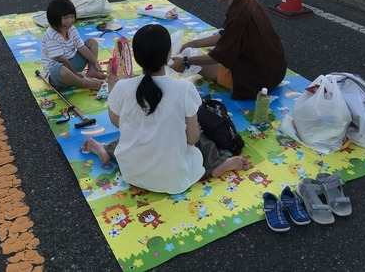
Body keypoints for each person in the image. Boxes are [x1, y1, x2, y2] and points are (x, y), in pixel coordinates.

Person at [81, 24, 250, 194]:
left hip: (131, 172)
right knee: (201, 134)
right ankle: (217, 164)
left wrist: (112, 83)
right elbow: (192, 139)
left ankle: (108, 150)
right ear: (169, 54)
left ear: (136, 57)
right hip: (173, 179)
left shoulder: (123, 87)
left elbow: (118, 123)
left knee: (136, 132)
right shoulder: (184, 89)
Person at [171, 0, 287, 100]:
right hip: (277, 71)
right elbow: (225, 35)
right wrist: (193, 43)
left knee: (198, 66)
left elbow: (216, 56)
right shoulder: (250, 1)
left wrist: (185, 61)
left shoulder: (239, 17)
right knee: (197, 54)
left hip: (258, 81)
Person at [41, 0, 106, 92]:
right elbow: (61, 59)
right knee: (58, 68)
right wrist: (75, 73)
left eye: (72, 17)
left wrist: (95, 62)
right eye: (65, 18)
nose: (70, 21)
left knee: (92, 42)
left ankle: (92, 71)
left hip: (73, 63)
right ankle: (85, 83)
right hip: (59, 75)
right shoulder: (51, 35)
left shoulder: (71, 28)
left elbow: (81, 47)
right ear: (54, 20)